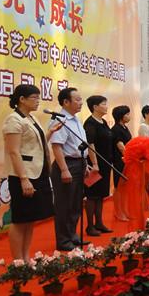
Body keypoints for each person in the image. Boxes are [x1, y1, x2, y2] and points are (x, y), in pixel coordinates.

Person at [2, 84, 58, 260]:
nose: (38, 101)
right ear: (22, 99)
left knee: (30, 219)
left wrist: (50, 133)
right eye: (34, 97)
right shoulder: (13, 119)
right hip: (23, 175)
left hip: (38, 173)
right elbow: (14, 151)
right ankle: (18, 261)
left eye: (38, 97)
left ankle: (26, 257)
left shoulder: (31, 118)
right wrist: (24, 179)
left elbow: (36, 147)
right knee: (20, 219)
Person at [50, 87, 92, 251]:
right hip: (66, 164)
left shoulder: (76, 120)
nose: (81, 103)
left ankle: (72, 234)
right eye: (77, 100)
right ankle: (63, 240)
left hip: (78, 163)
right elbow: (57, 146)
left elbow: (79, 145)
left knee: (75, 203)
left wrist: (85, 164)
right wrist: (64, 169)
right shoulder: (60, 120)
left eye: (81, 99)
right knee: (64, 205)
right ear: (66, 102)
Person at [83, 95, 114, 236]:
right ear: (95, 107)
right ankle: (90, 226)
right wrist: (95, 163)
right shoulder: (90, 123)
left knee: (101, 195)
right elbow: (90, 144)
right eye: (104, 104)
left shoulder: (103, 122)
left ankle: (99, 223)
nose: (106, 106)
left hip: (106, 163)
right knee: (92, 195)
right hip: (95, 164)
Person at [111, 105, 132, 221]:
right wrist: (130, 156)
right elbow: (121, 146)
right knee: (119, 186)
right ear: (120, 116)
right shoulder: (116, 129)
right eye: (127, 114)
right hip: (120, 160)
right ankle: (118, 212)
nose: (129, 116)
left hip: (127, 160)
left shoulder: (125, 127)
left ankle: (124, 210)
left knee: (125, 187)